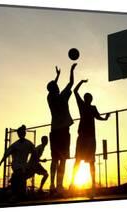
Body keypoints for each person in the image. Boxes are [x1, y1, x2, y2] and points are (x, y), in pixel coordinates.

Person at [70, 79, 110, 195]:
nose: (87, 99)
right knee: (79, 160)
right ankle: (74, 183)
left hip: (89, 138)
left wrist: (105, 118)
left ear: (90, 99)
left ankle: (92, 185)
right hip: (83, 137)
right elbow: (75, 91)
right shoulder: (83, 105)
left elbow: (98, 117)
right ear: (86, 99)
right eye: (87, 97)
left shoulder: (92, 108)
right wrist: (81, 82)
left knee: (89, 161)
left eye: (88, 97)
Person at [47, 63, 77, 192]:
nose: (57, 85)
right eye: (56, 85)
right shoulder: (62, 96)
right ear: (56, 88)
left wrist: (57, 76)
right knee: (63, 159)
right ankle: (58, 185)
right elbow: (71, 82)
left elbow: (52, 86)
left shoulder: (49, 97)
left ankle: (53, 185)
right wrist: (71, 70)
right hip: (64, 131)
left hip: (55, 131)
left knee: (55, 159)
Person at [0, 125, 35, 199]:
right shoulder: (15, 145)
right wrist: (0, 163)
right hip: (16, 165)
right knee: (19, 174)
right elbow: (6, 154)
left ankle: (21, 193)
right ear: (18, 134)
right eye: (20, 133)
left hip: (24, 165)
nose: (21, 134)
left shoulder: (29, 143)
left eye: (23, 133)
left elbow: (34, 153)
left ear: (24, 134)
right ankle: (15, 192)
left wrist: (32, 163)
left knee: (22, 178)